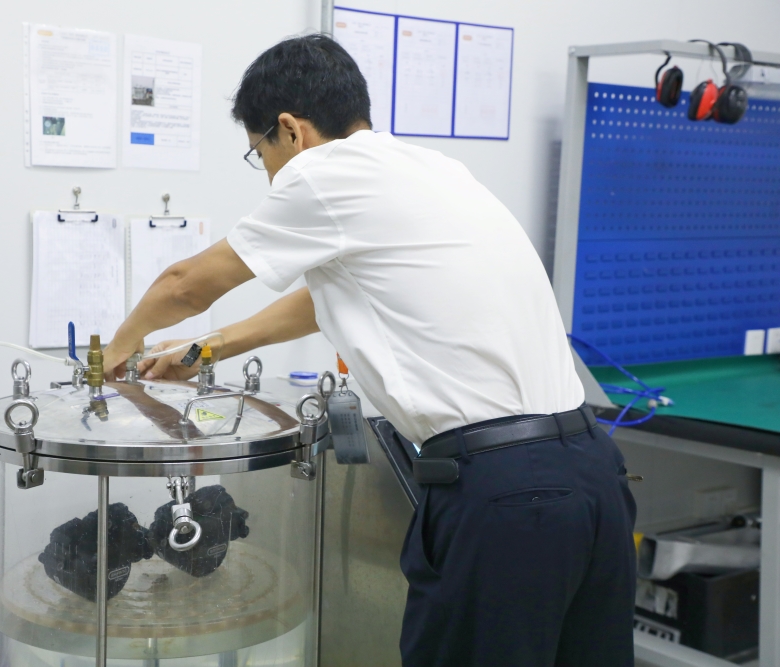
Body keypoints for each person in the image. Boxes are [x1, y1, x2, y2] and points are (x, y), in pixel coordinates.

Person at [104, 34, 637, 667]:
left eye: (259, 154)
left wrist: (114, 354)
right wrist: (211, 345)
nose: (268, 172)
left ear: (289, 131)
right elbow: (331, 293)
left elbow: (183, 284)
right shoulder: (431, 170)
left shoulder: (320, 176)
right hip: (594, 472)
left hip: (506, 498)